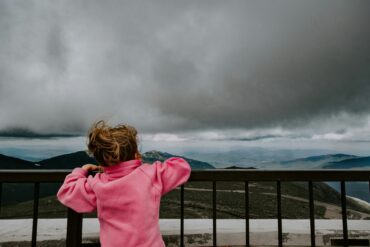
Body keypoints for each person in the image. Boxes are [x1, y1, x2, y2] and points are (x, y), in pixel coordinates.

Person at [57, 120, 191, 247]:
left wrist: (81, 171)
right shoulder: (150, 175)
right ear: (135, 153)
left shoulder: (98, 184)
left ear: (101, 161)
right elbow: (182, 166)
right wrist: (144, 165)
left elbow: (67, 191)